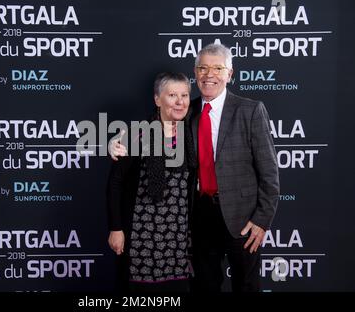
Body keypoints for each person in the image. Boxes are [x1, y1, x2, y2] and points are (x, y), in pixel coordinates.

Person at [190, 43, 280, 292]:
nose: (210, 75)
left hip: (243, 217)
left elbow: (269, 173)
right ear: (195, 73)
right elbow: (152, 132)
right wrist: (117, 142)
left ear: (230, 74)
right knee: (204, 285)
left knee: (247, 285)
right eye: (203, 68)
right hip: (199, 214)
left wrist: (262, 220)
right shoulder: (187, 111)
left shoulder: (250, 110)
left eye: (218, 68)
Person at [106, 72, 197, 292]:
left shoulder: (193, 132)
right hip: (141, 238)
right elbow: (115, 183)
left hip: (179, 238)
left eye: (184, 95)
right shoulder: (137, 134)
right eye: (172, 95)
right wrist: (116, 228)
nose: (180, 101)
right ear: (157, 99)